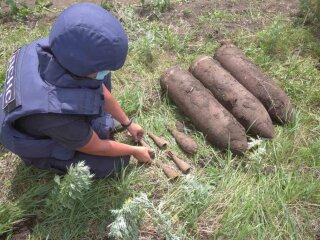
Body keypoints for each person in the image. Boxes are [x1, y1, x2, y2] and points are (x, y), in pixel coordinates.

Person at [0, 3, 152, 178]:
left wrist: (128, 123)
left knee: (98, 79)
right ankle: (50, 159)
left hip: (44, 107)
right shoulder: (55, 115)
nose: (105, 73)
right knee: (115, 163)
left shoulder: (61, 48)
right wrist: (133, 150)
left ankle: (93, 127)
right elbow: (98, 148)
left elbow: (99, 87)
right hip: (37, 139)